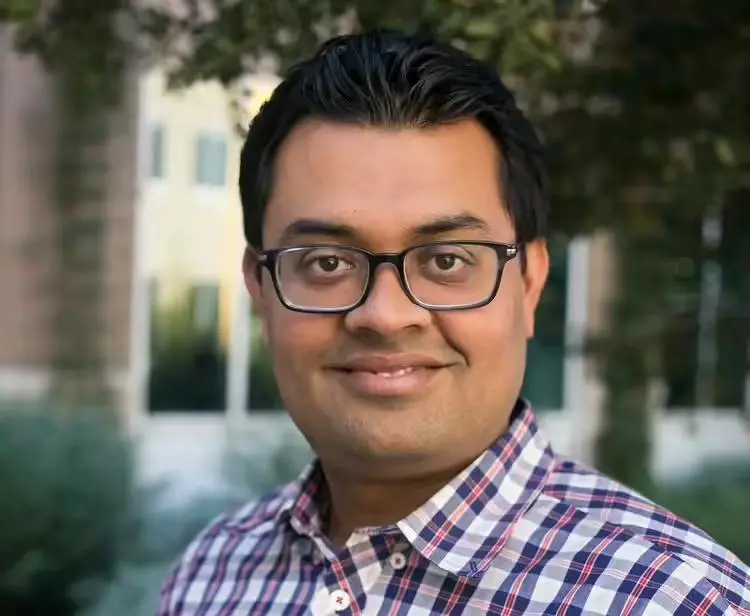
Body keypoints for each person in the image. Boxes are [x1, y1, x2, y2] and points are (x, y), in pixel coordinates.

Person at [158, 30, 750, 616]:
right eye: (327, 263)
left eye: (446, 261)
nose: (385, 316)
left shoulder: (678, 601)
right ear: (260, 290)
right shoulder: (212, 575)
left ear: (529, 283)